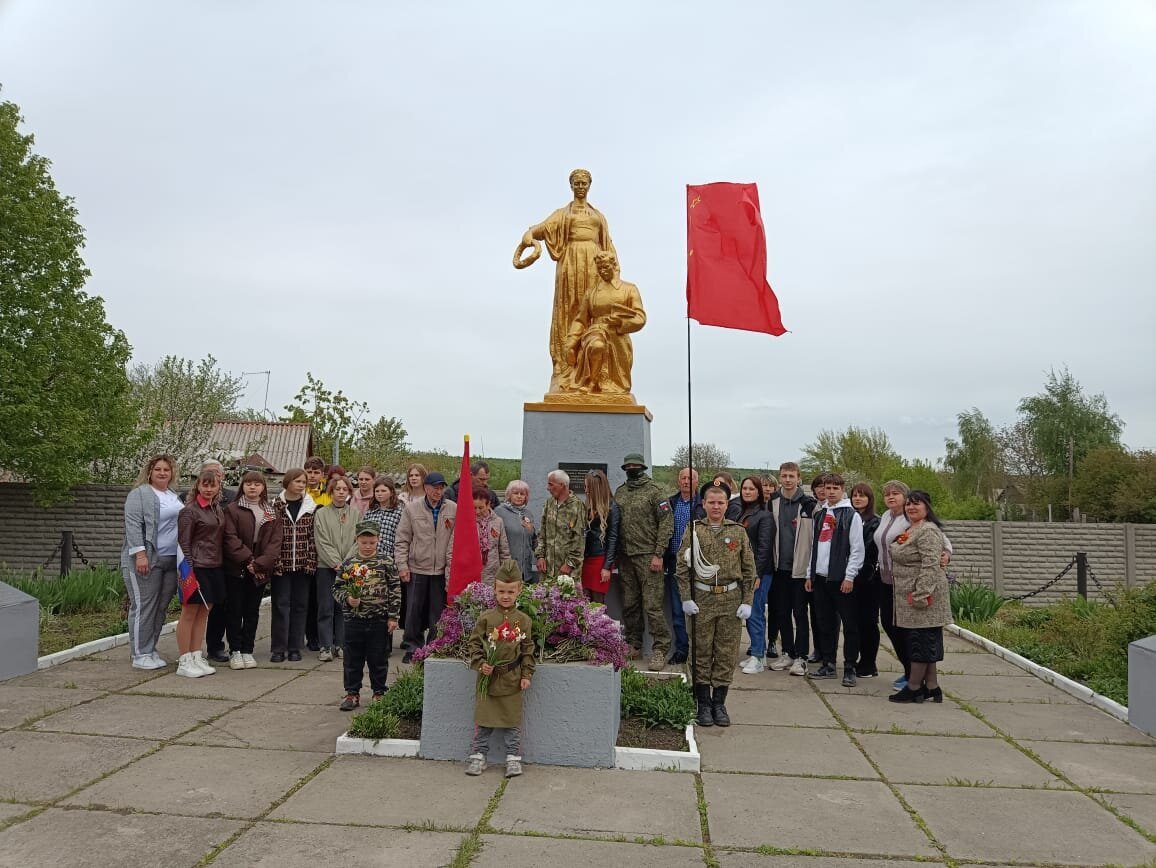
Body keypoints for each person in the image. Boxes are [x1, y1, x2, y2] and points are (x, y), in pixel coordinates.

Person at [514, 168, 616, 392]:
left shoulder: (598, 216)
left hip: (594, 263)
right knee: (569, 310)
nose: (580, 187)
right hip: (570, 262)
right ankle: (566, 367)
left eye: (584, 183)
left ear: (589, 186)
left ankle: (595, 371)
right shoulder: (562, 214)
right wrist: (529, 237)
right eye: (576, 183)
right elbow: (537, 230)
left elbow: (607, 245)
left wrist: (614, 272)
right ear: (571, 186)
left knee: (595, 309)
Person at [677, 481, 756, 728]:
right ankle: (702, 702)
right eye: (711, 502)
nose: (716, 506)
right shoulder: (694, 530)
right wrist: (686, 597)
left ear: (727, 505)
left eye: (721, 502)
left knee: (726, 652)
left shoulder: (738, 531)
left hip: (730, 601)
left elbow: (749, 569)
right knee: (700, 651)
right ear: (703, 504)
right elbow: (682, 567)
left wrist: (747, 601)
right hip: (702, 600)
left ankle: (719, 703)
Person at [874, 480, 953, 691]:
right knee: (892, 626)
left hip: (912, 586)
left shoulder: (919, 523)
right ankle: (922, 680)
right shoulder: (886, 516)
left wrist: (946, 554)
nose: (891, 497)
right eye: (887, 494)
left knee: (913, 633)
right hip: (888, 581)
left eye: (896, 493)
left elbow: (942, 543)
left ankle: (914, 677)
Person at [465, 560, 536, 778]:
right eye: (502, 591)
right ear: (494, 590)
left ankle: (513, 759)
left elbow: (527, 650)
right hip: (488, 679)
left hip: (512, 679)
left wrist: (526, 674)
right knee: (484, 721)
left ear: (519, 590)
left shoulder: (523, 621)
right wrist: (481, 664)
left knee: (511, 722)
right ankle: (478, 756)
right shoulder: (486, 618)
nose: (506, 596)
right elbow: (474, 644)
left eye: (511, 591)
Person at [121, 453, 182, 670]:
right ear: (149, 472)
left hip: (170, 560)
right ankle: (140, 654)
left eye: (166, 469)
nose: (162, 473)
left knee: (160, 607)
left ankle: (150, 648)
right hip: (146, 560)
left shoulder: (173, 495)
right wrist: (140, 555)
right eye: (158, 469)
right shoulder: (139, 494)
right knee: (144, 606)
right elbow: (133, 525)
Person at [613, 454, 673, 671]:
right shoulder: (620, 492)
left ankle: (660, 649)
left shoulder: (655, 491)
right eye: (628, 466)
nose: (632, 468)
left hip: (649, 557)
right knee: (630, 603)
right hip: (626, 557)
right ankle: (633, 644)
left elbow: (666, 523)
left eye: (635, 466)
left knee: (652, 606)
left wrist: (659, 554)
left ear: (643, 467)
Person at [806, 473, 865, 686]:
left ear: (842, 490)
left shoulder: (851, 515)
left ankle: (849, 667)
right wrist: (809, 573)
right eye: (827, 488)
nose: (830, 492)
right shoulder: (820, 514)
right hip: (820, 577)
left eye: (835, 488)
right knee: (825, 624)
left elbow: (857, 549)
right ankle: (828, 663)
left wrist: (849, 576)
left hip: (841, 578)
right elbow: (814, 546)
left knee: (849, 625)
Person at [337, 521, 400, 711]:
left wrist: (393, 617)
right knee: (352, 659)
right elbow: (337, 588)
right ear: (356, 540)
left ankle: (379, 692)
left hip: (378, 620)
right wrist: (348, 599)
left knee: (378, 658)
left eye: (372, 542)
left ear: (378, 540)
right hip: (354, 620)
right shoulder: (349, 564)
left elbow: (395, 589)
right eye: (364, 542)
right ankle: (352, 693)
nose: (367, 546)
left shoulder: (386, 562)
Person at [221, 471, 282, 670]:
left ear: (263, 487)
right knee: (234, 610)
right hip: (237, 567)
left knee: (251, 611)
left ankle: (248, 649)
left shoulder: (271, 511)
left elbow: (275, 543)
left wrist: (259, 564)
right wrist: (248, 560)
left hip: (260, 569)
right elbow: (230, 538)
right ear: (243, 486)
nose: (252, 487)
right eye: (248, 483)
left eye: (257, 484)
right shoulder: (232, 509)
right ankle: (235, 650)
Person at [395, 470, 457, 662]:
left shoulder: (453, 508)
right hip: (417, 568)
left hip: (440, 569)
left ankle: (433, 647)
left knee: (437, 613)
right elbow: (402, 539)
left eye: (441, 487)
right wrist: (402, 565)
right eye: (435, 487)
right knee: (414, 611)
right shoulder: (412, 509)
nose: (438, 491)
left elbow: (456, 540)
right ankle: (412, 647)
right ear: (426, 488)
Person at [563, 250, 646, 394]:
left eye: (606, 267)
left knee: (617, 388)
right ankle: (592, 382)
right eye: (599, 268)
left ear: (614, 265)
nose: (602, 271)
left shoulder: (629, 289)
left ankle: (609, 385)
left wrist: (621, 322)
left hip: (618, 338)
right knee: (597, 345)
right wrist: (571, 343)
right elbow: (580, 320)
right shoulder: (592, 292)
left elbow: (640, 317)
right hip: (595, 331)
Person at [174, 470, 227, 678]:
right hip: (196, 567)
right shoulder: (189, 511)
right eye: (205, 485)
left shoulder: (217, 509)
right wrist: (189, 573)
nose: (208, 489)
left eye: (212, 485)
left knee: (204, 612)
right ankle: (184, 660)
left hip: (214, 566)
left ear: (218, 487)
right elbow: (184, 543)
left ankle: (196, 655)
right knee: (189, 612)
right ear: (198, 486)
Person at [768, 463, 819, 677]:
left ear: (799, 478)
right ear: (780, 478)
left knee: (800, 614)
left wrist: (810, 571)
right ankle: (787, 652)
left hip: (800, 570)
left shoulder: (809, 505)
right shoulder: (772, 502)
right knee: (782, 612)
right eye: (784, 476)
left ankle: (801, 657)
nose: (787, 480)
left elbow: (816, 540)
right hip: (779, 567)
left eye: (791, 476)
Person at [190, 460, 236, 665]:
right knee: (196, 607)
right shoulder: (189, 501)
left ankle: (215, 647)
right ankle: (190, 653)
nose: (212, 477)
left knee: (218, 606)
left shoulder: (231, 498)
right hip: (199, 562)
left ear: (222, 477)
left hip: (223, 560)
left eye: (216, 473)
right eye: (207, 474)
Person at [271, 468, 318, 663]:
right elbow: (271, 537)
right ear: (288, 482)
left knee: (300, 606)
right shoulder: (276, 505)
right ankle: (278, 648)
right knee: (280, 606)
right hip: (281, 565)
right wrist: (275, 561)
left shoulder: (310, 507)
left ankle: (295, 647)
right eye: (297, 481)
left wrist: (310, 561)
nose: (301, 485)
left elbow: (313, 537)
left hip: (302, 565)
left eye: (303, 482)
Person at [314, 475, 361, 662]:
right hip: (326, 567)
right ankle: (325, 646)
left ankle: (341, 644)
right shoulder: (321, 514)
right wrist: (335, 562)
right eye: (337, 489)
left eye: (344, 489)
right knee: (325, 607)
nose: (341, 492)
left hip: (348, 568)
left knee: (344, 607)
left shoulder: (355, 514)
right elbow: (321, 541)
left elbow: (358, 540)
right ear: (331, 491)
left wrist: (346, 563)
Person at [735, 477, 776, 675]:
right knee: (749, 613)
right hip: (742, 571)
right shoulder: (742, 513)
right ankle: (759, 652)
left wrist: (756, 574)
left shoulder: (765, 516)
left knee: (755, 613)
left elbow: (764, 548)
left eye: (751, 489)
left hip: (759, 573)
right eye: (744, 488)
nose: (747, 491)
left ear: (759, 492)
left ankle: (758, 656)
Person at [663, 468, 702, 665]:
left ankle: (700, 652)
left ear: (697, 481)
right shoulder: (671, 503)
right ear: (678, 481)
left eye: (690, 478)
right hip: (674, 564)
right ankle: (682, 650)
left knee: (699, 610)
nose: (686, 481)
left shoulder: (703, 504)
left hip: (698, 564)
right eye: (683, 478)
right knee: (678, 611)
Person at [364, 476, 405, 648]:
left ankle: (386, 643)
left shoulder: (399, 511)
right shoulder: (370, 512)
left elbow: (402, 537)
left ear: (391, 492)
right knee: (373, 600)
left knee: (388, 602)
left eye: (383, 490)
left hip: (390, 561)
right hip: (371, 561)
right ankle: (373, 641)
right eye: (377, 491)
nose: (380, 494)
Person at [448, 484, 511, 584]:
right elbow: (452, 551)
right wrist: (450, 579)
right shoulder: (463, 522)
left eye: (481, 508)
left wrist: (507, 575)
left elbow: (504, 551)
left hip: (492, 575)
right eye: (474, 507)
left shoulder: (498, 522)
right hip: (468, 575)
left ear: (488, 504)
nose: (477, 511)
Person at [850, 483, 881, 678]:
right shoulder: (850, 518)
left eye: (862, 496)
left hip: (869, 580)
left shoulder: (875, 522)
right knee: (855, 622)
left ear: (869, 499)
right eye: (855, 495)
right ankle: (857, 659)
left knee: (868, 622)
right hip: (852, 578)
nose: (857, 498)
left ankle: (869, 663)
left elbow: (868, 550)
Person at [534, 469, 587, 580]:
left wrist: (570, 563)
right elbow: (542, 532)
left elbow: (580, 538)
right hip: (547, 568)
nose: (547, 488)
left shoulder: (577, 506)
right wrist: (540, 556)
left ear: (562, 485)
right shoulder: (549, 503)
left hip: (567, 570)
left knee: (566, 592)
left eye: (551, 484)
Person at [580, 470, 620, 603]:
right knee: (585, 599)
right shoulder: (588, 505)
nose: (585, 490)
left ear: (596, 488)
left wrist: (607, 567)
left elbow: (613, 538)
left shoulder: (612, 507)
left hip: (600, 559)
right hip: (586, 559)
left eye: (588, 487)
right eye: (585, 486)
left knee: (597, 602)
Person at [495, 480, 538, 585]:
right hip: (507, 568)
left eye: (522, 494)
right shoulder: (499, 512)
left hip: (526, 571)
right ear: (509, 495)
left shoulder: (528, 514)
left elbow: (533, 539)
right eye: (515, 493)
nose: (519, 496)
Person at [759, 473, 781, 659]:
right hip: (762, 563)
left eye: (770, 486)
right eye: (763, 485)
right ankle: (759, 642)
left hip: (777, 562)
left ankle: (772, 640)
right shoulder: (755, 506)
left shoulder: (778, 506)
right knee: (758, 607)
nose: (767, 489)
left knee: (775, 606)